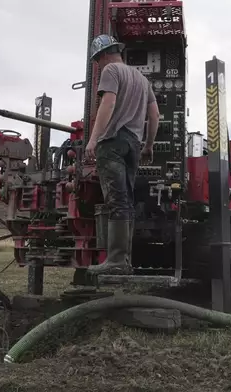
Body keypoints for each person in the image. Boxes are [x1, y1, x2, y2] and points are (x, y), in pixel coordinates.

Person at [84, 34, 160, 276]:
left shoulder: (111, 71)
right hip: (134, 145)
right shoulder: (141, 79)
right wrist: (148, 146)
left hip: (113, 143)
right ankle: (124, 261)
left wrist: (94, 139)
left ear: (103, 55)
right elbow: (155, 115)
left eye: (97, 60)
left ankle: (115, 260)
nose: (98, 65)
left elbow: (107, 103)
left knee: (116, 201)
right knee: (126, 201)